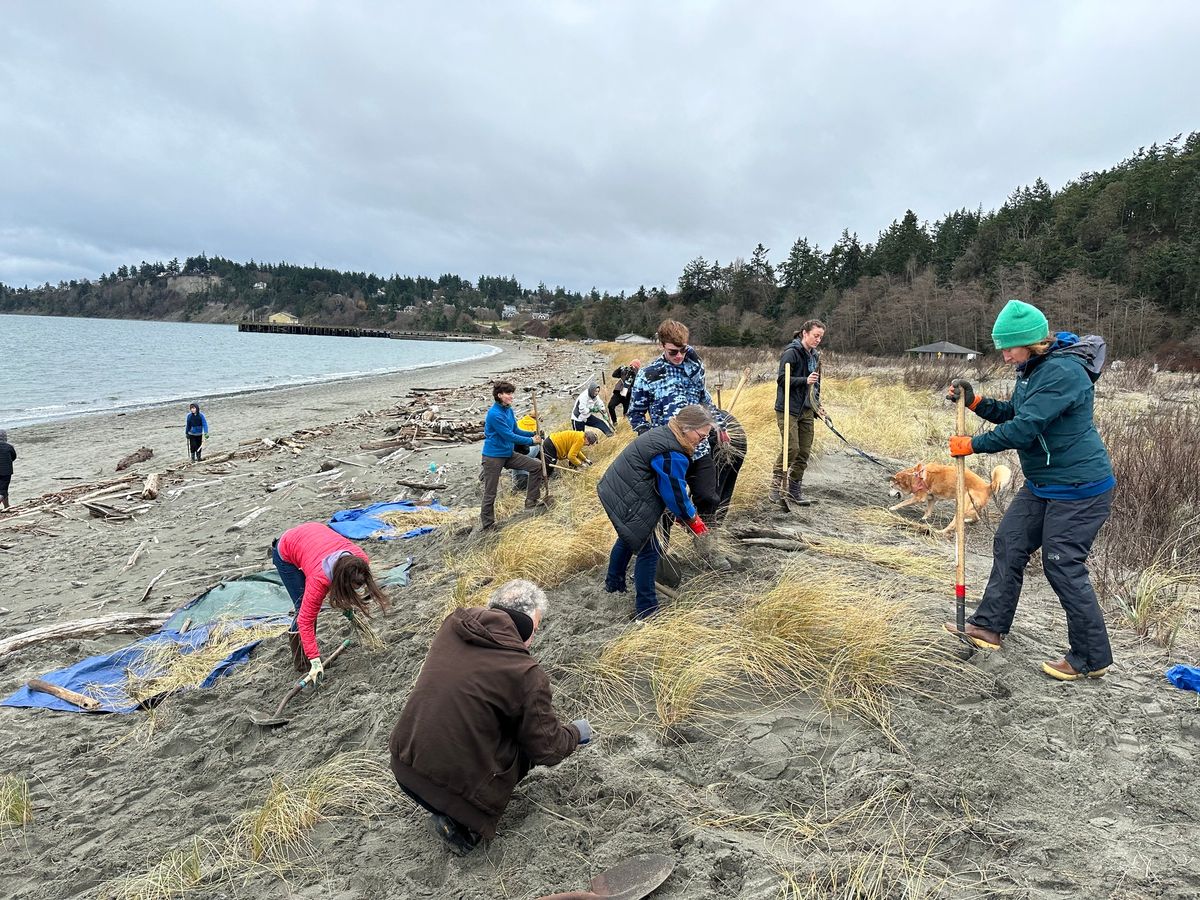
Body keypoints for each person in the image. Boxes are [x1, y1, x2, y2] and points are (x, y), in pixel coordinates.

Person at [945, 298, 1116, 682]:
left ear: (1033, 341)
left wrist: (973, 445)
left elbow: (1026, 428)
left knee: (1062, 564)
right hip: (1044, 484)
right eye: (1001, 347)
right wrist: (975, 402)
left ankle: (1091, 657)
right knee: (1009, 543)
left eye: (1009, 347)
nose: (1004, 356)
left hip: (1080, 488)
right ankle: (989, 627)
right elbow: (1016, 414)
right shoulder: (1033, 369)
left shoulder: (1064, 372)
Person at [389, 579, 591, 855]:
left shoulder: (453, 625)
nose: (533, 640)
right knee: (525, 741)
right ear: (525, 626)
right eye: (535, 629)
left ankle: (446, 806)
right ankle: (463, 826)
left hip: (403, 766)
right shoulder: (524, 672)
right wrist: (577, 733)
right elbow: (548, 749)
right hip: (449, 792)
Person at [627, 319, 729, 569]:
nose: (679, 356)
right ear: (662, 345)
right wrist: (651, 439)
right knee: (664, 508)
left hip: (700, 448)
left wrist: (719, 424)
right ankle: (658, 557)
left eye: (684, 350)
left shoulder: (693, 366)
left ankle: (706, 548)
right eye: (673, 352)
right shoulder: (649, 375)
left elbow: (705, 399)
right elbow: (635, 414)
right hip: (668, 453)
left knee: (709, 497)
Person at [598, 404, 715, 618]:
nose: (702, 440)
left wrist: (681, 514)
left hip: (617, 488)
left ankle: (613, 585)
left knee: (627, 537)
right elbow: (674, 493)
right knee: (650, 550)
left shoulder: (666, 433)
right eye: (702, 435)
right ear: (687, 427)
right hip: (629, 494)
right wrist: (693, 520)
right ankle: (647, 609)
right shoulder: (672, 452)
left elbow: (668, 488)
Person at [271, 522, 390, 680]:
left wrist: (346, 606)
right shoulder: (319, 580)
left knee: (309, 599)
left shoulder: (360, 560)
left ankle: (308, 656)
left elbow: (341, 587)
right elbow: (305, 620)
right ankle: (303, 663)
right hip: (286, 549)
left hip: (313, 536)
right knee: (302, 607)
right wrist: (314, 659)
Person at [772, 320, 826, 504]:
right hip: (788, 407)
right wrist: (804, 380)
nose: (818, 340)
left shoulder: (815, 356)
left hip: (807, 409)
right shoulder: (791, 353)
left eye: (821, 337)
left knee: (804, 452)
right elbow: (781, 380)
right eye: (815, 335)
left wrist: (817, 405)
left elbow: (816, 385)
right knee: (791, 448)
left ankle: (794, 490)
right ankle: (776, 485)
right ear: (805, 333)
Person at [481, 381, 546, 530]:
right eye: (508, 394)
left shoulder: (508, 410)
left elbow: (516, 429)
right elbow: (508, 436)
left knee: (536, 466)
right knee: (490, 492)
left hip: (507, 453)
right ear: (499, 395)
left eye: (512, 393)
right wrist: (531, 441)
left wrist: (533, 434)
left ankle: (531, 501)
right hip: (493, 457)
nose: (511, 396)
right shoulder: (494, 414)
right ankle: (488, 525)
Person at [0, 429, 16, 509]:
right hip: (6, 472)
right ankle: (6, 506)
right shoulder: (9, 447)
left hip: (5, 471)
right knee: (3, 490)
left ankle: (6, 506)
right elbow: (13, 457)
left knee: (3, 490)